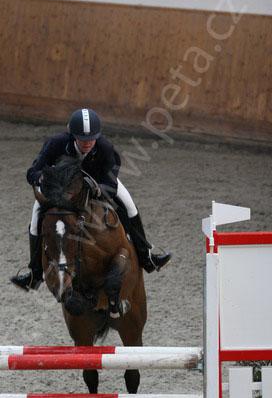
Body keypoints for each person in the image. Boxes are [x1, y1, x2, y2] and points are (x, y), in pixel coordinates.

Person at [11, 108, 171, 291]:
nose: (87, 143)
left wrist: (96, 188)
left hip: (97, 183)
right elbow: (32, 172)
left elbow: (111, 184)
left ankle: (147, 256)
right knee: (35, 218)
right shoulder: (56, 144)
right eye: (82, 139)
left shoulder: (105, 148)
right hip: (61, 188)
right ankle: (34, 273)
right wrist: (42, 178)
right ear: (73, 136)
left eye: (92, 138)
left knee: (129, 206)